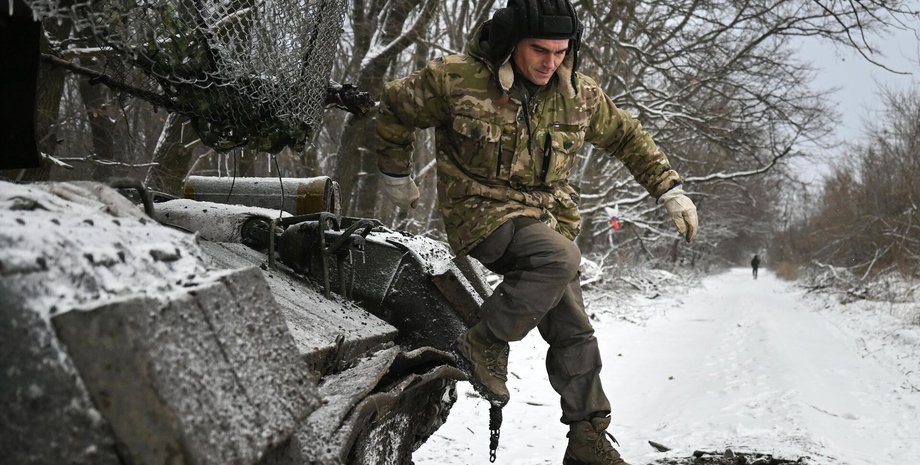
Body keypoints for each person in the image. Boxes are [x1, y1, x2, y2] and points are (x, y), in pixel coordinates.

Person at [375, 1, 698, 463]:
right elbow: (395, 107)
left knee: (574, 330)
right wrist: (394, 172)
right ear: (511, 45)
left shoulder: (578, 94)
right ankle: (484, 340)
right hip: (481, 213)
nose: (550, 62)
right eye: (539, 50)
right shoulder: (456, 78)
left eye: (561, 51)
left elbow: (628, 137)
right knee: (561, 258)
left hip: (549, 223)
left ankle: (588, 437)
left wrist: (669, 189)